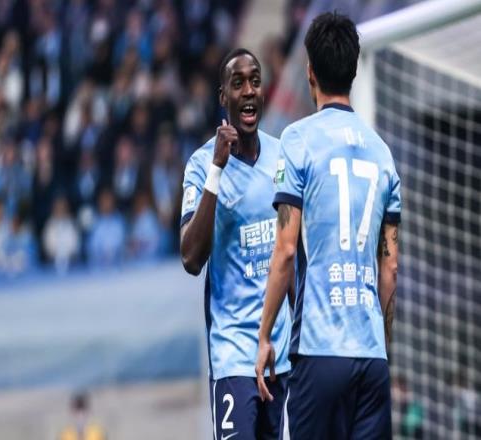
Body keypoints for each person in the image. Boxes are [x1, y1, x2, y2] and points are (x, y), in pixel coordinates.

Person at [255, 12, 401, 439]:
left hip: (319, 351)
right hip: (371, 357)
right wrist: (380, 344)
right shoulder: (383, 153)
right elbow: (390, 269)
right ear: (353, 71)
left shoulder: (298, 140)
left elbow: (286, 250)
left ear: (310, 73)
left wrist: (265, 336)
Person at [180, 48, 292, 439]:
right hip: (233, 357)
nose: (248, 90)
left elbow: (293, 254)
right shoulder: (201, 165)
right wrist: (217, 170)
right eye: (238, 83)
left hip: (281, 358)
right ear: (223, 96)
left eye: (255, 81)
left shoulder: (283, 157)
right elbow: (191, 258)